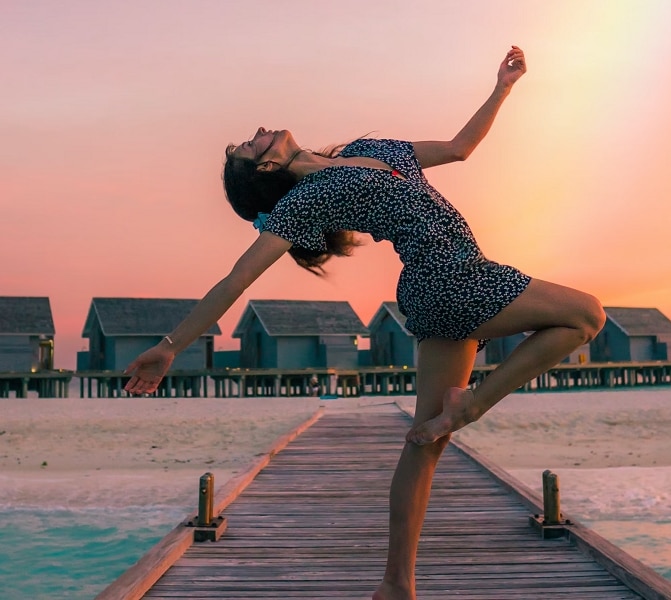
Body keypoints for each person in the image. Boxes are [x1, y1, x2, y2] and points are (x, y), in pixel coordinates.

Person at [124, 46, 605, 600]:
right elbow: (236, 281)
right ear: (266, 169)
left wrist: (503, 87)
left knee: (426, 442)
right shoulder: (302, 203)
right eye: (250, 144)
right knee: (587, 314)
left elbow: (458, 148)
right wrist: (170, 346)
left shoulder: (367, 148)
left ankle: (396, 584)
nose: (259, 130)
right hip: (451, 278)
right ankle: (470, 404)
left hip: (437, 289)